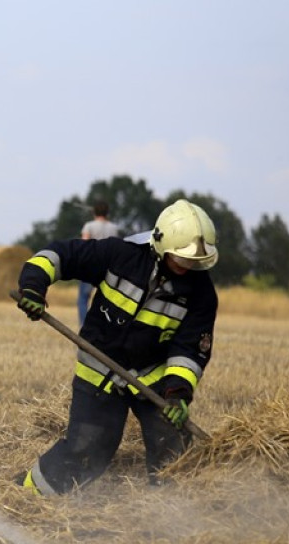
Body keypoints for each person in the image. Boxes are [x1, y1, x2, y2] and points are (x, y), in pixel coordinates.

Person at [15, 199, 218, 495]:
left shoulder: (201, 294)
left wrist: (177, 394)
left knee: (174, 451)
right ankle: (30, 494)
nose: (188, 267)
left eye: (195, 262)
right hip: (100, 370)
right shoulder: (120, 255)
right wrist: (33, 286)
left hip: (153, 377)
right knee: (88, 450)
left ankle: (170, 517)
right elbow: (59, 255)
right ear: (161, 245)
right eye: (182, 259)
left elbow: (189, 351)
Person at [76, 201, 119, 325]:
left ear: (94, 212)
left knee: (83, 299)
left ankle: (84, 326)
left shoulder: (89, 226)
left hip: (91, 266)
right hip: (108, 268)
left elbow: (83, 245)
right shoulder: (114, 228)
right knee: (107, 301)